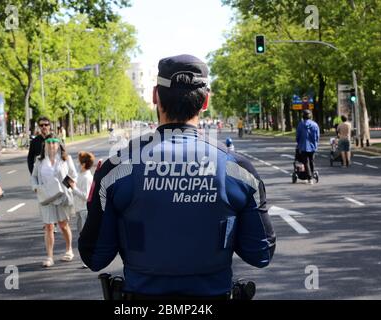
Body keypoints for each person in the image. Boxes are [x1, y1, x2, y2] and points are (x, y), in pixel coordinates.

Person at [78, 54, 276, 299]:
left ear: (155, 97)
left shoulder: (116, 169)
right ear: (205, 102)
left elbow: (94, 256)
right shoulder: (238, 169)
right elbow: (261, 254)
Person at [31, 133, 78, 267]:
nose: (51, 144)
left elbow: (73, 175)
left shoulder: (65, 159)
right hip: (46, 197)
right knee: (49, 226)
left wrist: (67, 188)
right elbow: (34, 176)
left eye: (54, 142)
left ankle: (69, 249)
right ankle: (49, 257)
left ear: (58, 144)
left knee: (63, 225)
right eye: (49, 142)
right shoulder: (39, 160)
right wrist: (35, 187)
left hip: (61, 196)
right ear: (45, 144)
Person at [68, 151, 94, 268]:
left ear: (84, 164)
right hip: (79, 209)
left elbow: (86, 195)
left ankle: (87, 260)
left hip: (84, 210)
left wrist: (74, 188)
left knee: (85, 237)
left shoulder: (87, 177)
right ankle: (88, 258)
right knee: (81, 234)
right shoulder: (81, 175)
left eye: (79, 163)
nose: (78, 164)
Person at [296, 110, 320, 184]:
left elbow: (298, 136)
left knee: (306, 162)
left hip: (303, 146)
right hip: (312, 146)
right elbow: (317, 136)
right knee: (312, 161)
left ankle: (309, 177)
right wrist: (316, 144)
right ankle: (311, 175)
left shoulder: (300, 124)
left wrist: (298, 143)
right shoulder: (315, 125)